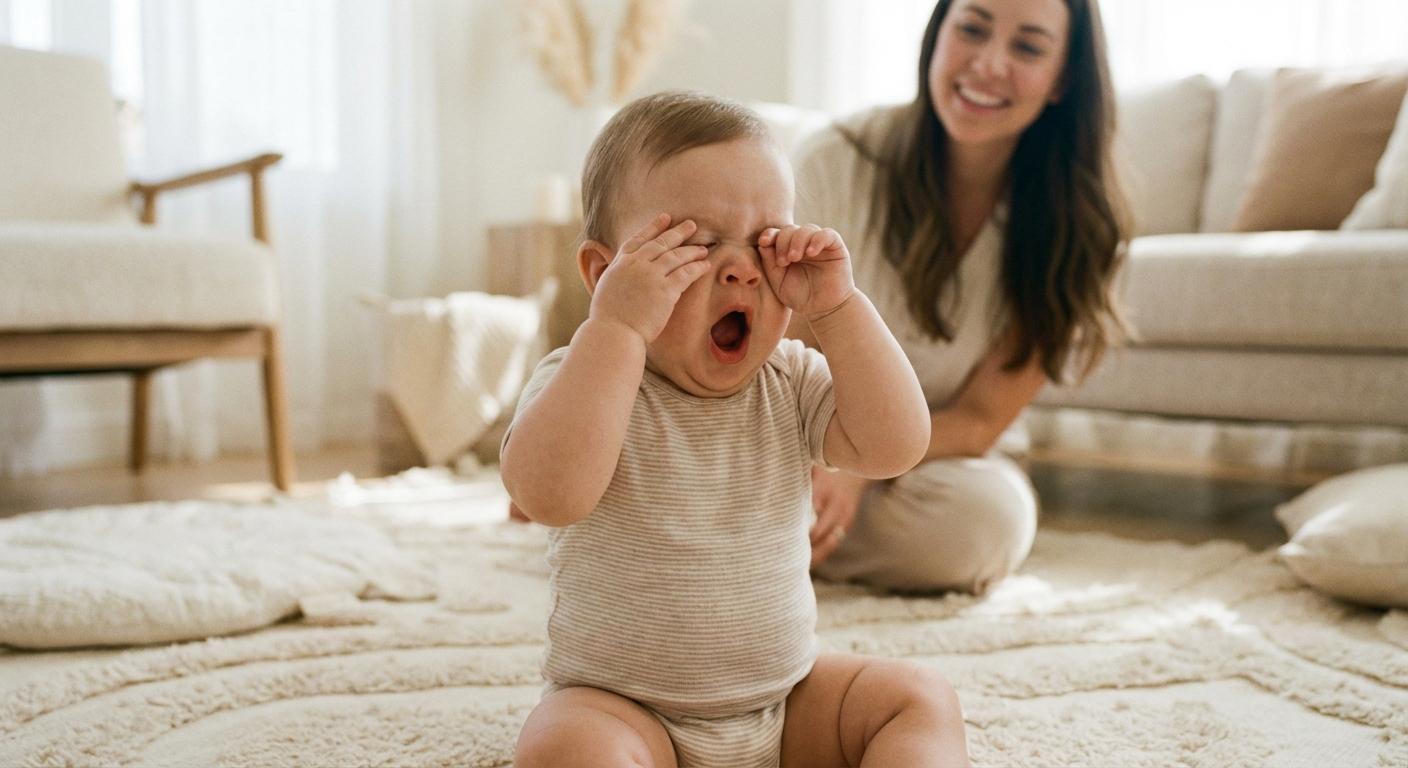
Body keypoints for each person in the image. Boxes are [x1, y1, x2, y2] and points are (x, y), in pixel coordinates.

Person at [501, 91, 969, 767]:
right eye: (695, 243)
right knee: (562, 746)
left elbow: (897, 444)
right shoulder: (587, 378)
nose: (742, 267)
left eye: (765, 241)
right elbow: (549, 494)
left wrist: (839, 310)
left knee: (917, 697)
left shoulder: (790, 379)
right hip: (627, 713)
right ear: (606, 274)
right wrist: (616, 328)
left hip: (786, 703)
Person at [794, 0, 1129, 594]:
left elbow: (978, 420)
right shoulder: (834, 161)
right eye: (972, 29)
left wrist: (862, 469)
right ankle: (777, 530)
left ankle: (773, 542)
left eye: (1027, 47)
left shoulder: (1081, 231)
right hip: (805, 440)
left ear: (1063, 80)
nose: (989, 64)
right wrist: (831, 458)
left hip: (936, 462)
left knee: (987, 524)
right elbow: (777, 362)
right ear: (936, 36)